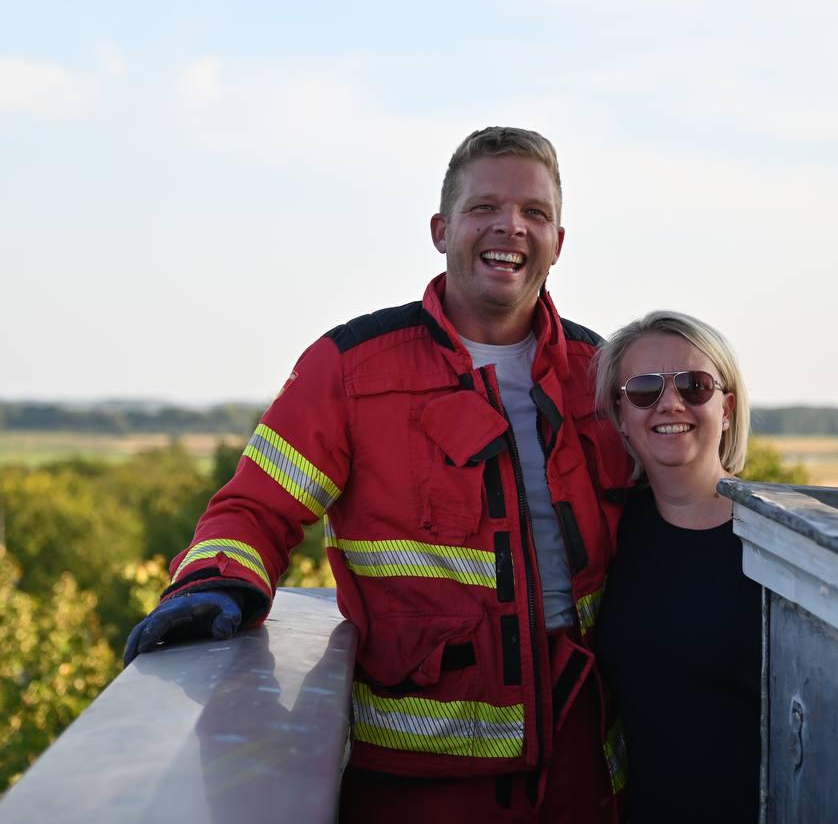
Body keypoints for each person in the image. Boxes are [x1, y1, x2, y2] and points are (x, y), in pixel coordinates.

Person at [123, 127, 634, 822]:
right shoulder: (350, 368)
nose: (510, 226)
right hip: (419, 785)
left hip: (586, 772)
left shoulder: (602, 372)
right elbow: (256, 508)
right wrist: (215, 583)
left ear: (558, 241)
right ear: (441, 230)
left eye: (534, 212)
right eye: (484, 207)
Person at [591, 311, 760, 822]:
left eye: (694, 385)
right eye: (644, 389)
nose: (670, 402)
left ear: (726, 409)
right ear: (621, 415)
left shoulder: (780, 541)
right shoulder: (612, 531)